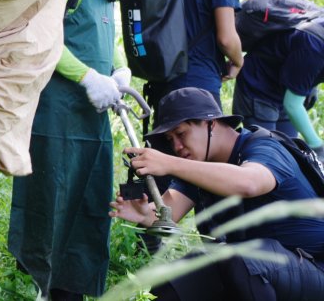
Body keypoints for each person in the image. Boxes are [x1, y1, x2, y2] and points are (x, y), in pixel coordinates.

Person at [9, 0, 157, 301]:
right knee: (48, 206)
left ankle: (70, 292)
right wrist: (87, 77)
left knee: (88, 206)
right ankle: (36, 288)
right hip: (55, 118)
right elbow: (39, 35)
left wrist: (118, 69)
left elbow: (101, 38)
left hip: (92, 123)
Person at [110, 87, 324, 301]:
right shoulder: (200, 165)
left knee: (241, 259)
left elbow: (248, 183)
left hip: (314, 268)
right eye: (170, 139)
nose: (176, 146)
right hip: (258, 270)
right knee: (173, 284)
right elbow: (168, 212)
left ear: (210, 123)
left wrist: (169, 163)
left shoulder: (265, 148)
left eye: (181, 134)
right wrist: (144, 214)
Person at [233, 24, 324, 158]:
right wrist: (317, 146)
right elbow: (292, 106)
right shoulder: (313, 47)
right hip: (258, 87)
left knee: (288, 154)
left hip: (286, 87)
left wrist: (311, 85)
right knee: (267, 155)